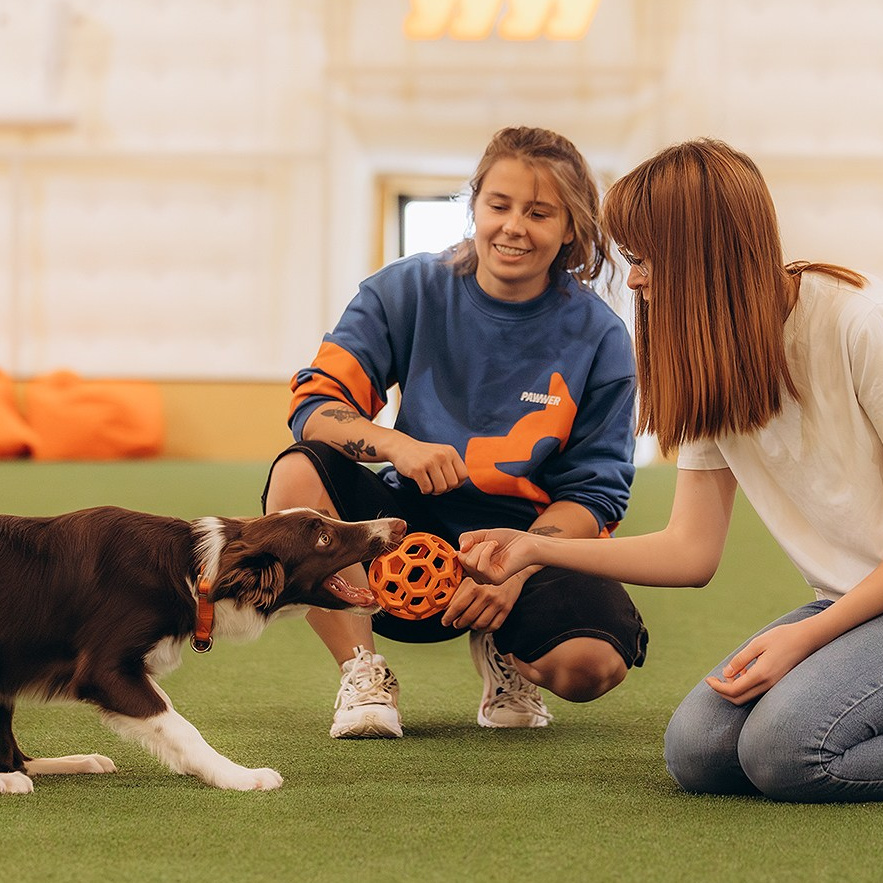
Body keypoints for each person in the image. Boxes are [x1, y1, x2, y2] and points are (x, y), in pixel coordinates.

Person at [458, 137, 883, 802]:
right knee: (699, 753)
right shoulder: (716, 362)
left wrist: (806, 635)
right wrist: (533, 548)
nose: (631, 278)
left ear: (702, 256)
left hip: (852, 607)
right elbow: (690, 551)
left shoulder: (859, 324)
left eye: (643, 258)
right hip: (857, 603)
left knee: (785, 752)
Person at [262, 126, 647, 739]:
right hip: (406, 543)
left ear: (571, 228)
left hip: (527, 544)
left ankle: (509, 655)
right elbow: (314, 404)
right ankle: (362, 673)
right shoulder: (405, 290)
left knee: (591, 667)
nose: (513, 227)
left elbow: (597, 496)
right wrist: (396, 444)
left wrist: (518, 568)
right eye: (498, 206)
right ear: (475, 207)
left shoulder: (600, 338)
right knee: (297, 471)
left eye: (539, 212)